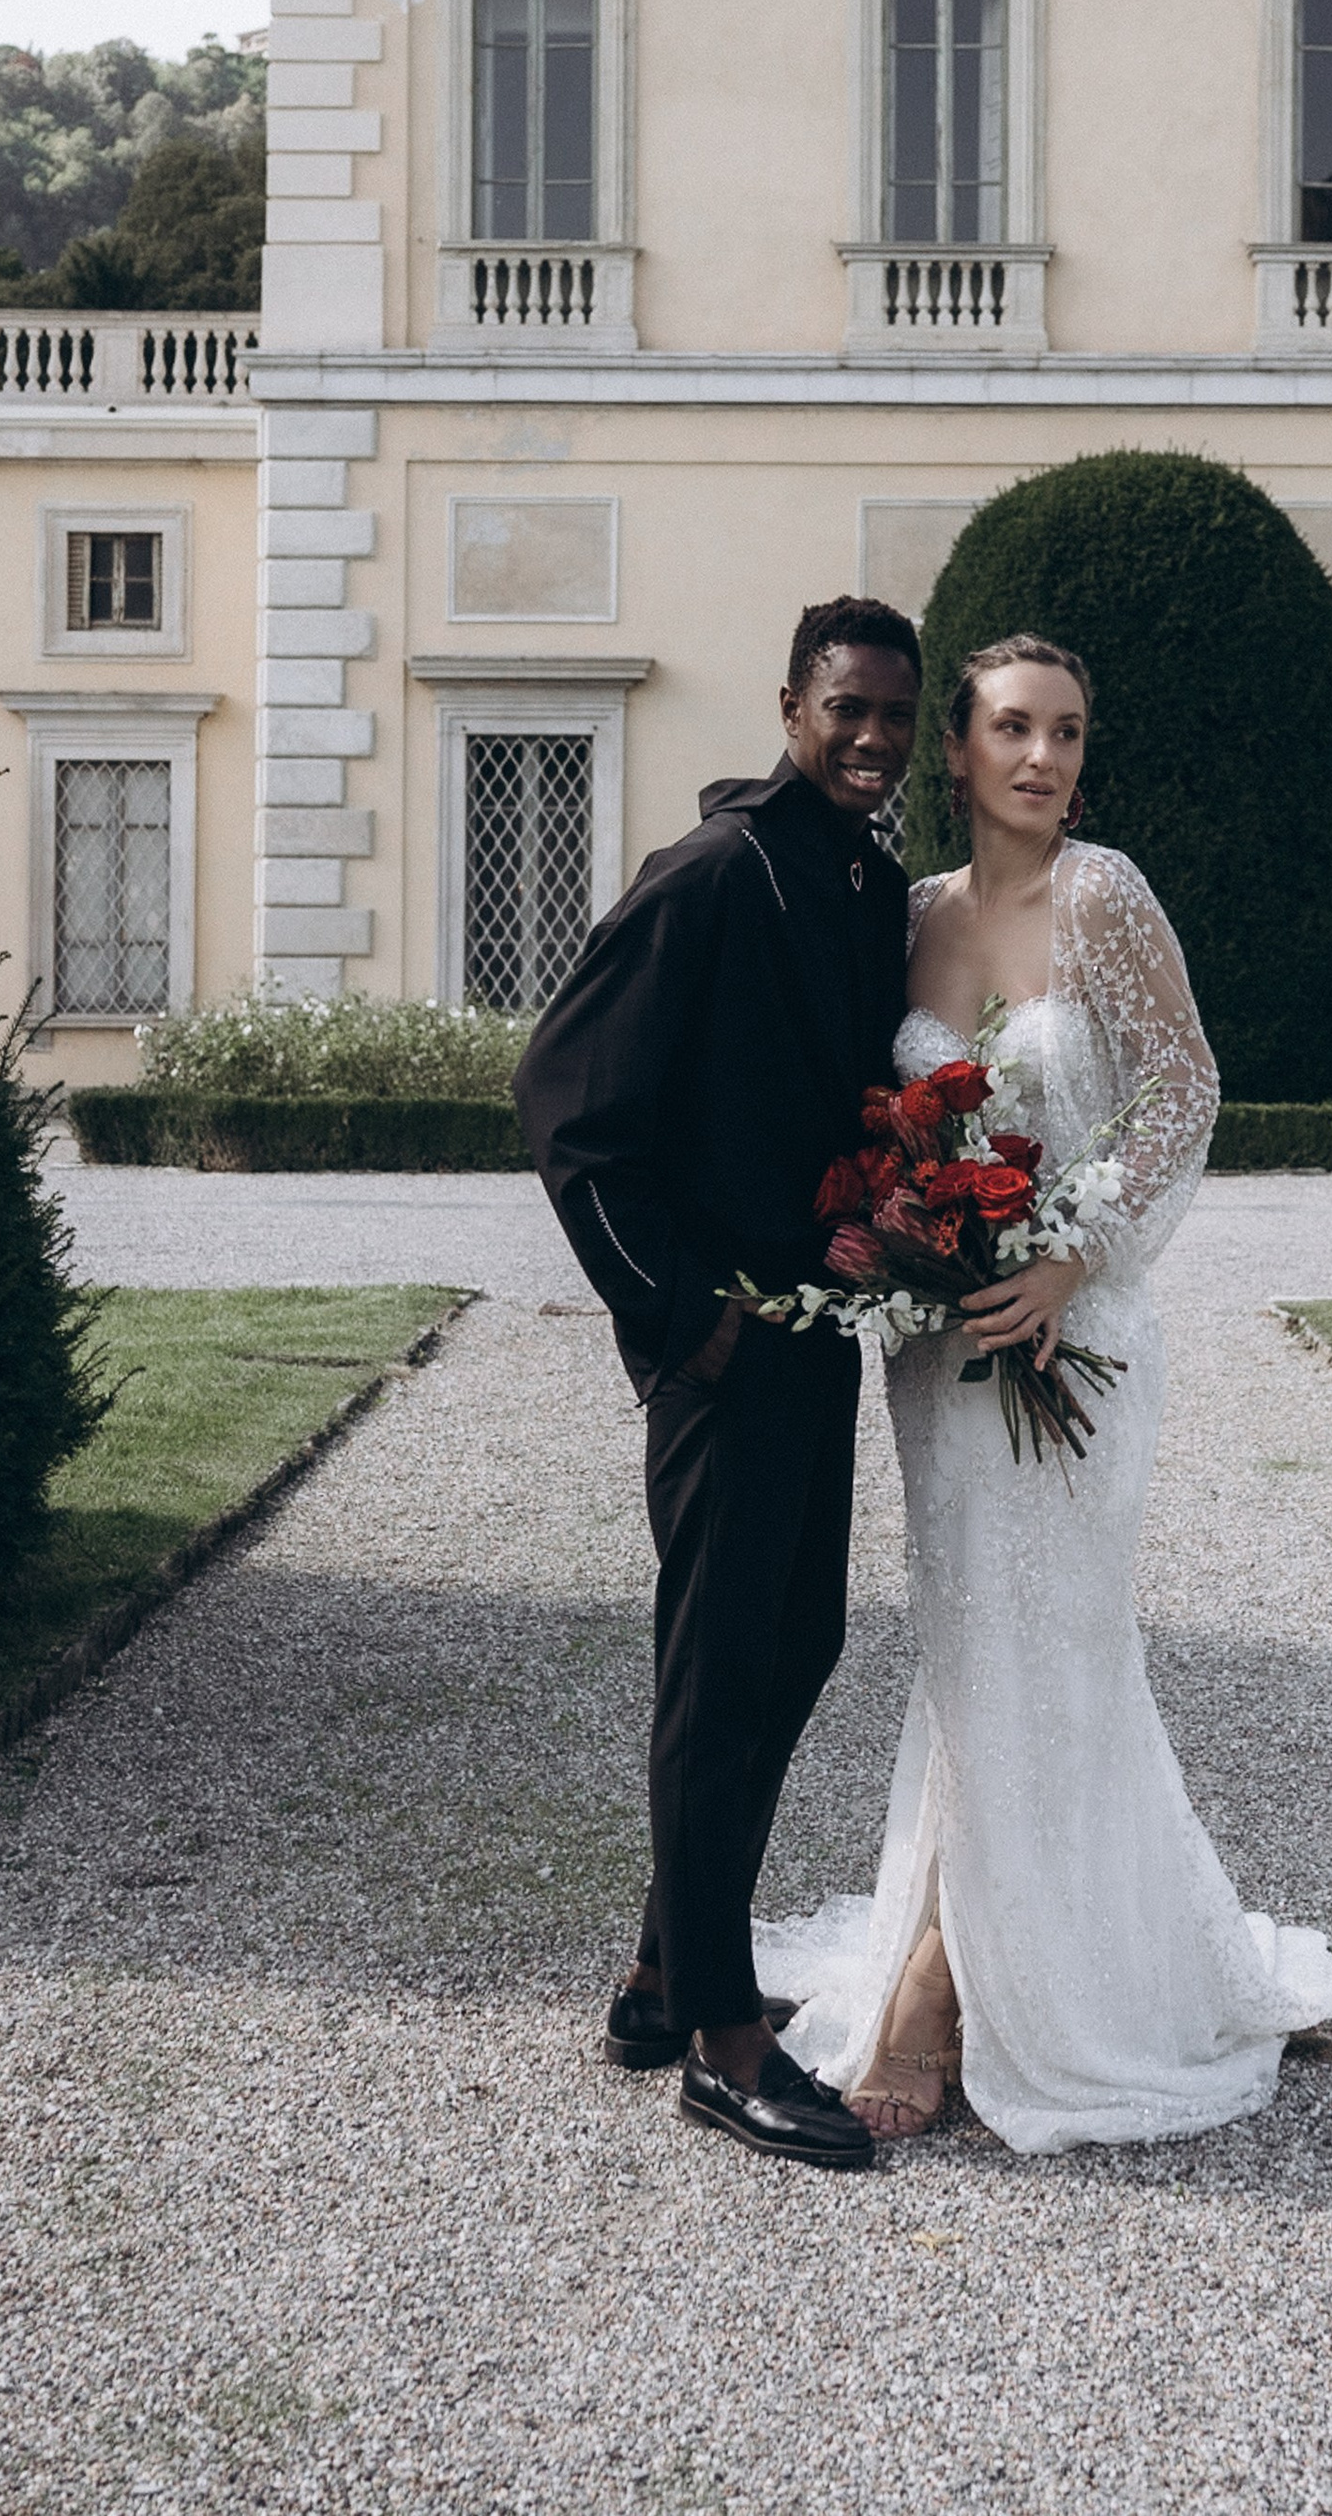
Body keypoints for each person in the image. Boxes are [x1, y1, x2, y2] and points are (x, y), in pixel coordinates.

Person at [757, 633, 1332, 2151]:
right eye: (1015, 731)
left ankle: (937, 1989)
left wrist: (1072, 1257)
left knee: (1062, 1642)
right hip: (942, 1348)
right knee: (972, 1647)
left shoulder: (1106, 897)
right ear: (955, 752)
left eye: (1071, 733)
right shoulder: (906, 917)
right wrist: (907, 1237)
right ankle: (966, 1948)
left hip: (1078, 1338)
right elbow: (877, 1115)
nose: (1045, 760)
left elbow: (1186, 1092)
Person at [514, 594, 921, 2175]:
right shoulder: (708, 876)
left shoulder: (862, 880)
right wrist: (676, 1315)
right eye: (848, 710)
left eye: (895, 714)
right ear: (789, 706)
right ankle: (724, 2040)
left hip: (817, 1331)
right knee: (721, 1664)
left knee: (794, 1641)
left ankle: (661, 1965)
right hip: (725, 1344)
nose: (875, 739)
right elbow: (568, 1104)